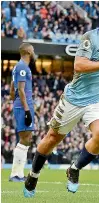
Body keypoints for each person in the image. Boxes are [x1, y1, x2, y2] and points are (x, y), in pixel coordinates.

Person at [23, 2, 99, 197]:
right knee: (52, 138)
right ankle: (33, 174)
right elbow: (79, 65)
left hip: (98, 100)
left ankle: (74, 168)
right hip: (74, 98)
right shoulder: (91, 37)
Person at [9, 43, 36, 182]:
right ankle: (15, 174)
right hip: (24, 106)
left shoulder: (19, 67)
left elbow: (12, 88)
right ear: (28, 51)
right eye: (33, 49)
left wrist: (13, 100)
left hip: (23, 105)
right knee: (25, 138)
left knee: (27, 139)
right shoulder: (22, 67)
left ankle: (19, 173)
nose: (34, 51)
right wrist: (26, 109)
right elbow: (20, 89)